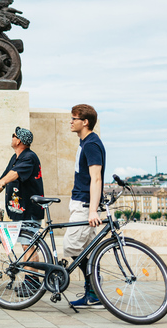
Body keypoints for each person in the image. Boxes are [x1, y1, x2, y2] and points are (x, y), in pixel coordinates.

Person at [0, 127, 44, 296]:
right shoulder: (15, 158)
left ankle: (32, 283)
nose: (12, 138)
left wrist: (2, 181)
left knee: (28, 245)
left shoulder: (29, 157)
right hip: (19, 211)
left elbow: (13, 175)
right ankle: (31, 281)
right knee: (26, 245)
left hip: (30, 210)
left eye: (13, 136)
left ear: (19, 141)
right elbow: (4, 176)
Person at [65, 104, 106, 309]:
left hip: (84, 204)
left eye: (74, 118)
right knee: (88, 251)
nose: (71, 122)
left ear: (85, 122)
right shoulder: (86, 143)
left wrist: (92, 210)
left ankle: (93, 292)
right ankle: (94, 294)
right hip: (81, 202)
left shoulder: (91, 144)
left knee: (71, 246)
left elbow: (96, 178)